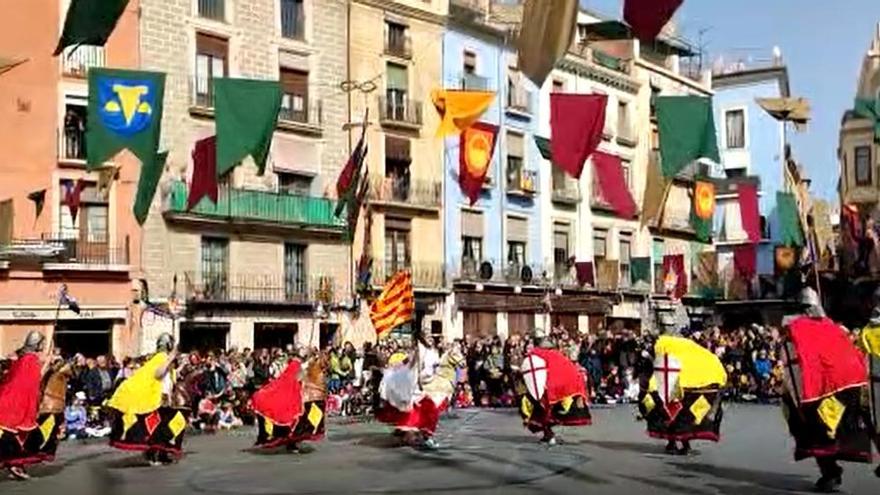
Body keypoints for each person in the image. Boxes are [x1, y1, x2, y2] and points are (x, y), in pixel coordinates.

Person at [781, 288, 874, 492]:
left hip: (819, 393)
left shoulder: (794, 331)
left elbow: (792, 369)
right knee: (852, 425)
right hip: (850, 387)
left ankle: (830, 473)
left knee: (817, 432)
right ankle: (831, 471)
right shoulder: (834, 328)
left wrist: (795, 399)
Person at [637, 334, 727, 456]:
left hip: (676, 388)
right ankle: (678, 444)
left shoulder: (668, 351)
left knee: (676, 416)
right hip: (679, 388)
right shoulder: (672, 350)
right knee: (680, 417)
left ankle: (676, 444)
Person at [107, 333, 188, 466]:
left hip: (166, 399)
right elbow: (158, 373)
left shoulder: (166, 360)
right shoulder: (161, 357)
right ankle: (153, 455)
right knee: (156, 429)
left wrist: (179, 366)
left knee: (166, 428)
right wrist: (170, 358)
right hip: (157, 400)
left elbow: (168, 378)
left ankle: (162, 453)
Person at [519, 338, 591, 446]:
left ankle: (549, 435)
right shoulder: (558, 356)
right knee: (548, 414)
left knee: (541, 412)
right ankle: (549, 434)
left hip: (552, 390)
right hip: (565, 390)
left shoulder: (538, 355)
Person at [0, 331, 49, 480]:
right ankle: (15, 464)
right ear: (37, 344)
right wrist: (45, 365)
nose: (43, 345)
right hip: (16, 405)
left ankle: (16, 465)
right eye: (42, 343)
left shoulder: (22, 358)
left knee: (21, 438)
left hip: (10, 400)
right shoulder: (30, 359)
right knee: (30, 438)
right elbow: (32, 382)